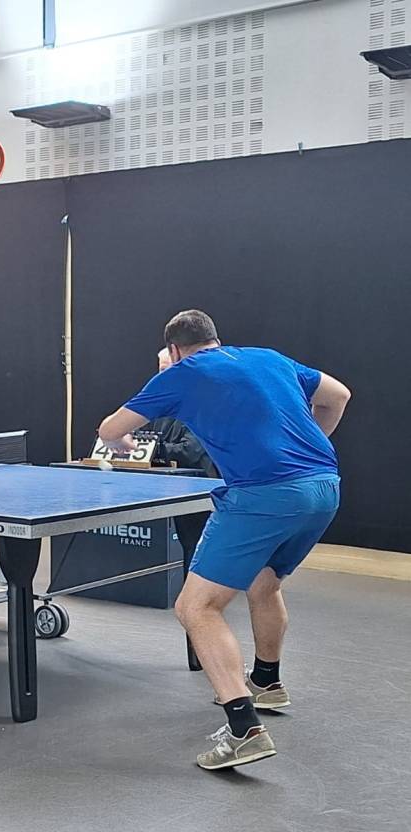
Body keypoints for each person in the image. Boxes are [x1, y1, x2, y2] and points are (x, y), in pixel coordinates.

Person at [97, 310, 350, 770]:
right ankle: (267, 683)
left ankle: (243, 730)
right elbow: (338, 396)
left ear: (173, 349)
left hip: (264, 496)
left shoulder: (181, 373)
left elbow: (110, 430)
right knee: (264, 582)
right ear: (216, 338)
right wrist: (310, 442)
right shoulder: (268, 358)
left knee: (195, 608)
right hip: (324, 487)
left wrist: (123, 444)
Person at [148, 348, 217, 561]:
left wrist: (153, 450)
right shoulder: (160, 404)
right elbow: (145, 436)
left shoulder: (206, 404)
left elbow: (191, 451)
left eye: (169, 369)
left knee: (196, 549)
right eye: (161, 370)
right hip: (171, 488)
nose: (164, 376)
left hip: (202, 490)